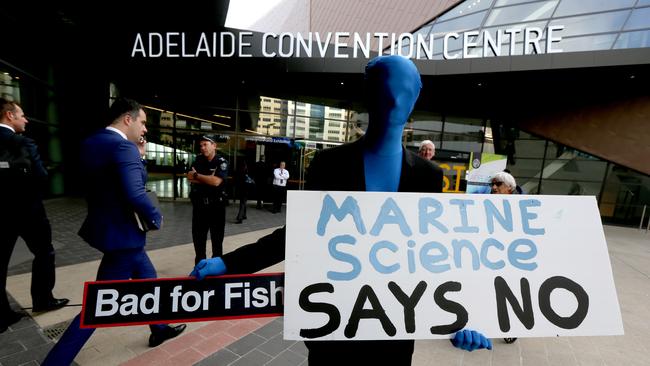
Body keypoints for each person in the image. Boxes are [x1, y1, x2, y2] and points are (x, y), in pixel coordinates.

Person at [191, 56, 491, 364]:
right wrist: (230, 263)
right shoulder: (330, 164)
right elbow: (300, 234)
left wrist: (461, 316)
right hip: (334, 323)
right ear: (367, 93)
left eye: (404, 88)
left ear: (416, 96)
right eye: (384, 86)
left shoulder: (428, 175)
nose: (394, 97)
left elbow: (436, 253)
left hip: (394, 330)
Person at [42, 98, 185, 365]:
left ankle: (160, 328)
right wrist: (157, 216)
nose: (144, 129)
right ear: (127, 119)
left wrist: (138, 156)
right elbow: (135, 192)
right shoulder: (123, 146)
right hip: (124, 237)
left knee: (148, 279)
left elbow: (109, 182)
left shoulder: (92, 142)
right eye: (142, 122)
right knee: (95, 309)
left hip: (107, 230)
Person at [0, 98, 69, 333]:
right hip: (29, 211)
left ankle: (2, 315)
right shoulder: (23, 142)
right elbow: (40, 176)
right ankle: (43, 299)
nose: (25, 119)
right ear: (9, 116)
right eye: (21, 115)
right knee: (44, 252)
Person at [188, 135, 228, 265]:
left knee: (217, 244)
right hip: (200, 207)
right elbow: (190, 178)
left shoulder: (221, 162)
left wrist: (197, 176)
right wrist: (205, 178)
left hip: (216, 207)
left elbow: (216, 182)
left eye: (205, 144)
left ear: (214, 145)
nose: (202, 148)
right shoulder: (198, 160)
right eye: (201, 145)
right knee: (199, 243)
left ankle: (216, 274)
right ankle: (199, 271)